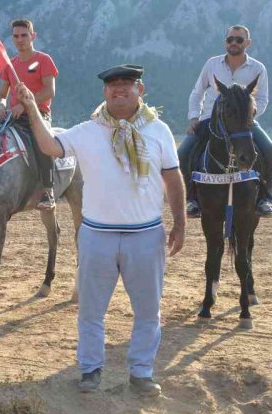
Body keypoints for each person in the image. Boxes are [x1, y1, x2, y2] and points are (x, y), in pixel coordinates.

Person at [16, 65, 185, 396]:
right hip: (96, 236)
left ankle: (141, 373)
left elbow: (172, 178)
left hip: (146, 236)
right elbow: (50, 146)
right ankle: (91, 370)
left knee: (149, 311)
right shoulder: (87, 130)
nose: (119, 89)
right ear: (104, 92)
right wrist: (33, 108)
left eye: (127, 84)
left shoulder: (159, 130)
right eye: (112, 85)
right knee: (91, 311)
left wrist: (180, 221)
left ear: (141, 89)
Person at [178, 25, 272, 217]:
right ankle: (191, 199)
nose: (233, 43)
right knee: (182, 153)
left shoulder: (258, 68)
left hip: (243, 123)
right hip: (209, 120)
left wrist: (248, 116)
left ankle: (266, 198)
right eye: (230, 39)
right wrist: (194, 117)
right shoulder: (212, 64)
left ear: (247, 43)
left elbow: (263, 99)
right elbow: (197, 92)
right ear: (226, 42)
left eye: (239, 40)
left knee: (270, 151)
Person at [0, 19, 60, 209]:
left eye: (24, 35)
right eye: (16, 36)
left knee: (42, 143)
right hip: (13, 117)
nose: (20, 39)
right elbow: (1, 95)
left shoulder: (43, 60)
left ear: (33, 36)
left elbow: (49, 91)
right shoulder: (9, 65)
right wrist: (0, 106)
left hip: (38, 114)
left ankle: (48, 191)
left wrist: (25, 106)